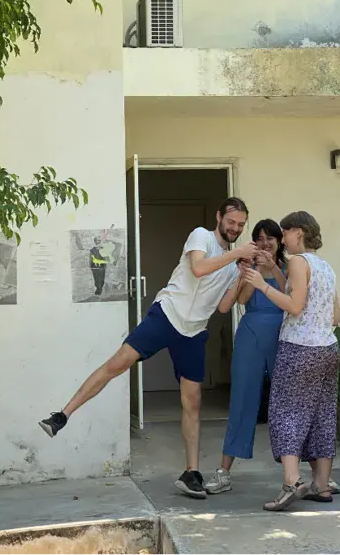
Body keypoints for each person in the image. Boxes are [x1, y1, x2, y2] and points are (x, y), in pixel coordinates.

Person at [38, 197, 259, 498]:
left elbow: (223, 307)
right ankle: (61, 415)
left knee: (192, 400)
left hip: (193, 332)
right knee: (118, 363)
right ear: (219, 217)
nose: (235, 228)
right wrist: (235, 255)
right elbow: (197, 268)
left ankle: (191, 472)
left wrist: (244, 276)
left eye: (240, 225)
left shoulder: (233, 264)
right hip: (166, 315)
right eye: (231, 222)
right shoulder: (201, 236)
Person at [242, 211, 340, 512]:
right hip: (328, 349)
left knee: (285, 412)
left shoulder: (298, 261)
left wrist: (262, 283)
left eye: (284, 233)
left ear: (298, 232)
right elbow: (335, 316)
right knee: (322, 415)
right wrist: (274, 270)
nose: (282, 239)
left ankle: (292, 481)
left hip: (298, 348)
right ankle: (322, 485)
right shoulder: (325, 266)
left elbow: (295, 306)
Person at [206, 219, 287, 495]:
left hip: (284, 335)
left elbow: (291, 293)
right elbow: (240, 301)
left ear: (280, 241)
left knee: (290, 403)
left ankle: (313, 471)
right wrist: (252, 271)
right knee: (242, 400)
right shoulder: (248, 267)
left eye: (270, 239)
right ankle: (224, 471)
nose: (265, 244)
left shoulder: (291, 267)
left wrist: (272, 268)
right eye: (260, 239)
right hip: (251, 333)